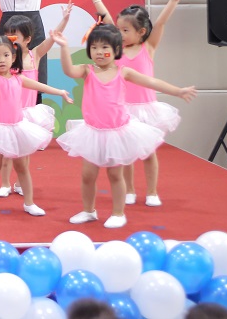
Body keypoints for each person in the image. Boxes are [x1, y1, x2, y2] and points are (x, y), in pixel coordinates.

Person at [52, 25, 196, 228]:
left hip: (116, 132)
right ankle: (89, 211)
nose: (99, 52)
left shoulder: (123, 72)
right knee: (87, 175)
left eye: (104, 47)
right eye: (94, 47)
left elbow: (151, 82)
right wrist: (64, 47)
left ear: (116, 50)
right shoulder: (87, 70)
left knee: (114, 175)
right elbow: (69, 70)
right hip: (93, 132)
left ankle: (118, 213)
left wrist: (178, 91)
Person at [81, 0, 190, 207]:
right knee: (126, 155)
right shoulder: (117, 50)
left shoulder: (148, 47)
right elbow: (107, 20)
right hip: (123, 110)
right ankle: (129, 190)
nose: (119, 34)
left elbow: (160, 23)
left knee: (149, 153)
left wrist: (174, 0)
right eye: (119, 30)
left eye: (125, 30)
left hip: (147, 109)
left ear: (141, 32)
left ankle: (151, 191)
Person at [0, 0, 72, 195]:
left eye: (14, 36)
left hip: (28, 112)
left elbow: (53, 38)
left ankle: (20, 184)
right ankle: (5, 184)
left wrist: (64, 19)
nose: (10, 39)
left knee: (24, 152)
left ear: (28, 39)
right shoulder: (6, 58)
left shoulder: (35, 54)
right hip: (8, 113)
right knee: (6, 153)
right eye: (8, 35)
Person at [0, 36, 73, 216]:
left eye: (6, 55)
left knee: (22, 168)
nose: (1, 60)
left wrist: (59, 92)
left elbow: (38, 85)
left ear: (13, 57)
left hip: (17, 128)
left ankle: (29, 203)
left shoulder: (18, 78)